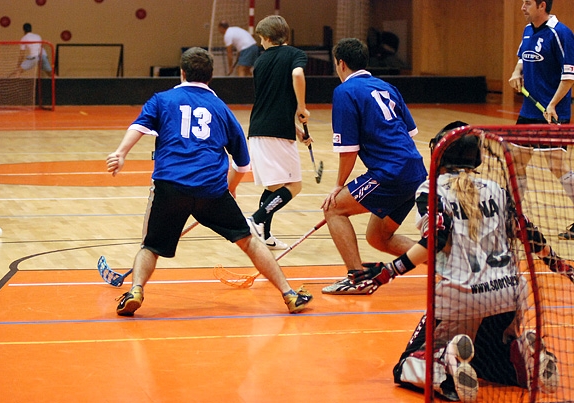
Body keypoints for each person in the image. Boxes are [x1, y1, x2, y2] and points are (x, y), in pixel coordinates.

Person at [350, 122, 564, 402]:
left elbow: (436, 239)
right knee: (487, 362)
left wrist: (389, 271)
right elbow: (529, 232)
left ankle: (443, 362)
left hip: (461, 294)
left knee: (406, 365)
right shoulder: (496, 188)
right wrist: (559, 265)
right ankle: (524, 354)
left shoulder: (432, 189)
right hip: (511, 293)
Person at [105, 47, 312, 316]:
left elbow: (139, 126)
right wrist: (231, 187)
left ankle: (136, 290)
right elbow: (242, 163)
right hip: (211, 190)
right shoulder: (221, 109)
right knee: (249, 241)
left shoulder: (162, 99)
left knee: (150, 247)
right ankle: (289, 294)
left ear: (182, 73)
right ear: (210, 76)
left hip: (170, 186)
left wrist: (121, 153)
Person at [320, 37, 427, 295]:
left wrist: (338, 186)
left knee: (333, 208)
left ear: (341, 64)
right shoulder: (387, 87)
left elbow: (349, 150)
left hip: (390, 173)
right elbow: (409, 133)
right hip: (416, 172)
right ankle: (449, 266)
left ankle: (357, 278)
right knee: (378, 238)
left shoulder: (345, 91)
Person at [508, 0, 574, 240]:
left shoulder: (561, 33)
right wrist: (516, 73)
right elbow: (523, 58)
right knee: (517, 161)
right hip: (529, 111)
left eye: (527, 3)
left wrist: (553, 104)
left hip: (552, 113)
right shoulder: (528, 30)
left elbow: (569, 77)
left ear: (542, 5)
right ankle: (513, 217)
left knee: (557, 166)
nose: (522, 7)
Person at [245, 15, 311, 251]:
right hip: (276, 133)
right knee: (294, 185)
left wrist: (297, 130)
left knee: (274, 187)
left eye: (261, 39)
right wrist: (301, 107)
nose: (261, 43)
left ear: (268, 37)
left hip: (258, 130)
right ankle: (256, 219)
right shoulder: (295, 54)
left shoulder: (260, 62)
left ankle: (265, 234)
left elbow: (270, 103)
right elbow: (297, 75)